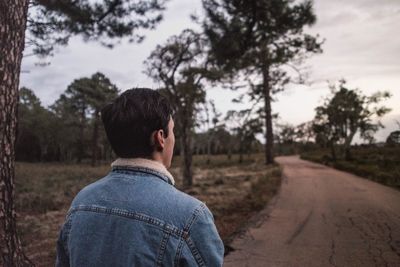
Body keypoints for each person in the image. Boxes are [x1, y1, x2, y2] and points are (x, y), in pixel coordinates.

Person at [56, 88, 224, 266]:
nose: (173, 139)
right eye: (172, 131)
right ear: (160, 138)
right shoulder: (190, 216)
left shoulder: (81, 202)